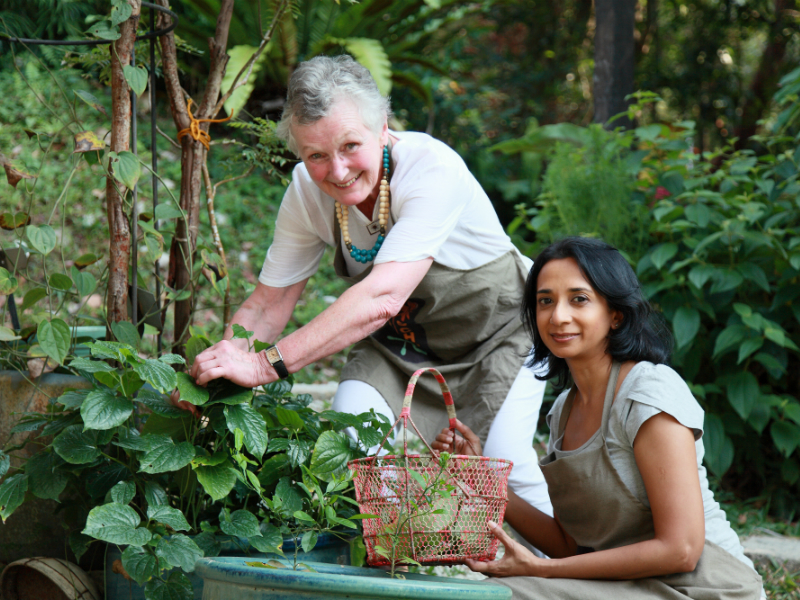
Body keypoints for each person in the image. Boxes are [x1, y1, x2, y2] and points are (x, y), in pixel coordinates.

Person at [184, 54, 553, 519]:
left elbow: (382, 297)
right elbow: (268, 303)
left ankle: (559, 572)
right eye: (316, 155)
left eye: (350, 146)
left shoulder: (432, 168)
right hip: (401, 346)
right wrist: (218, 370)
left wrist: (263, 366)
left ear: (382, 128)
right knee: (356, 446)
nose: (336, 171)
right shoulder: (305, 192)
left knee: (507, 463)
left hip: (499, 336)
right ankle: (399, 567)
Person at [432, 237, 764, 599]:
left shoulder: (647, 392)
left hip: (704, 588)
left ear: (615, 314)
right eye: (545, 301)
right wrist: (479, 476)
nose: (558, 316)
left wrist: (542, 570)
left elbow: (681, 549)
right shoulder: (563, 411)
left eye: (579, 299)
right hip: (623, 587)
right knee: (483, 593)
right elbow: (572, 547)